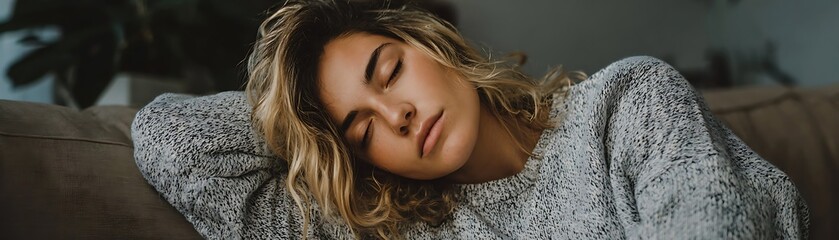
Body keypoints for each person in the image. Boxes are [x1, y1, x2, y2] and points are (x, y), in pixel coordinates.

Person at [132, 0, 809, 239]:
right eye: (362, 130)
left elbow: (715, 221)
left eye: (388, 71)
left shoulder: (624, 102)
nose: (396, 116)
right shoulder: (392, 227)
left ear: (429, 42)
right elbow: (173, 143)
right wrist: (296, 117)